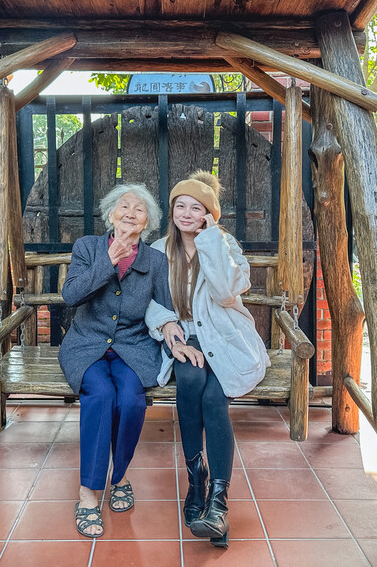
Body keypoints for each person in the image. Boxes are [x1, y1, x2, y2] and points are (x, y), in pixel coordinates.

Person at [146, 171, 270, 548]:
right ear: (172, 210)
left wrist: (211, 241)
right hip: (184, 337)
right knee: (190, 382)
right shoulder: (156, 249)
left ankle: (217, 501)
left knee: (216, 399)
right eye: (179, 205)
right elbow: (144, 298)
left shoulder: (224, 244)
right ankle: (195, 479)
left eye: (195, 208)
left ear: (208, 215)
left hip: (226, 338)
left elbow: (226, 291)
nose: (185, 213)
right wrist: (166, 324)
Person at [60, 183, 172, 539]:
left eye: (139, 210)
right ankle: (88, 493)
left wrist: (171, 330)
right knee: (101, 395)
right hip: (86, 345)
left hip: (133, 346)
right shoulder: (88, 248)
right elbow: (71, 296)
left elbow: (164, 307)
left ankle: (119, 474)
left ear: (147, 223)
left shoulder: (155, 260)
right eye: (124, 206)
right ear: (111, 214)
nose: (130, 213)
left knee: (130, 399)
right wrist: (109, 260)